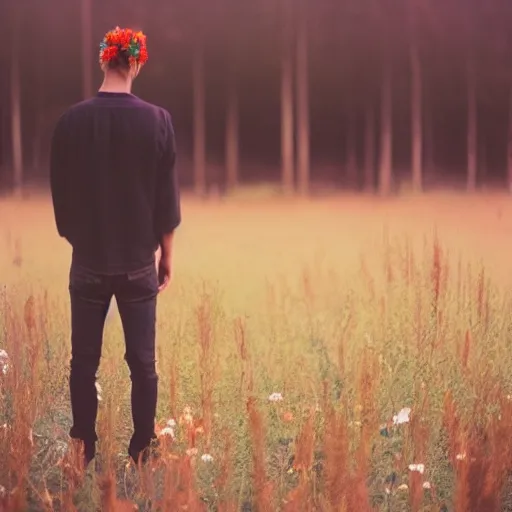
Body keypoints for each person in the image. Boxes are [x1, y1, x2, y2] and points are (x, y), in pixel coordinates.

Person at [49, 27, 181, 468]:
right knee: (143, 364)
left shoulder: (70, 121)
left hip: (87, 261)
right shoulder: (158, 121)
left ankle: (83, 448)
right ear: (136, 63)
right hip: (138, 264)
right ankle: (143, 448)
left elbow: (60, 196)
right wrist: (166, 256)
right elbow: (166, 200)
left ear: (103, 61)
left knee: (82, 362)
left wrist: (80, 238)